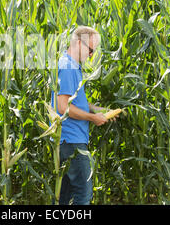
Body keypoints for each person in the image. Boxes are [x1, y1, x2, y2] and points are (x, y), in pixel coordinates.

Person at [50, 25, 118, 205]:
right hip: (72, 142)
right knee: (83, 194)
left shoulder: (71, 66)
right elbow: (63, 107)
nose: (91, 56)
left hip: (69, 140)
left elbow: (75, 102)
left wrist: (97, 110)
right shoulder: (67, 67)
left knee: (63, 197)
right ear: (78, 43)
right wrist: (92, 118)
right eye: (90, 50)